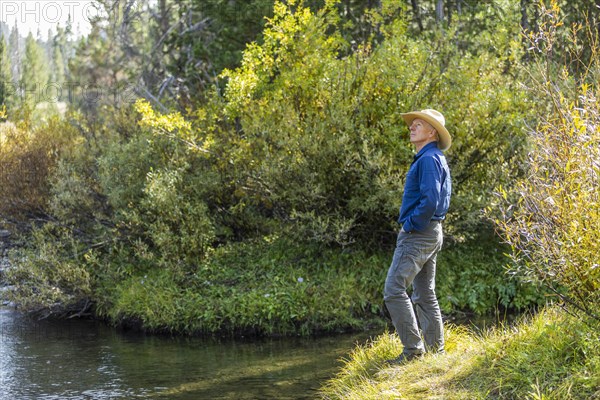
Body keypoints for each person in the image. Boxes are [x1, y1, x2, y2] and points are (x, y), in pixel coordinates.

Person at [383, 108, 452, 364]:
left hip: (420, 233)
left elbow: (431, 200)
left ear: (432, 132)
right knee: (424, 293)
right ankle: (437, 353)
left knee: (393, 290)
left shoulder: (427, 159)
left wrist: (411, 225)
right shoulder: (434, 157)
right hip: (432, 232)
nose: (412, 127)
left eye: (419, 124)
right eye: (412, 124)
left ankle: (413, 351)